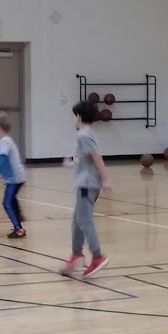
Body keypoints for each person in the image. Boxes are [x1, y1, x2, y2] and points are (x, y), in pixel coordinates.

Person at [61, 101, 110, 276]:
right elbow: (85, 159)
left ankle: (97, 256)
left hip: (87, 185)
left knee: (84, 220)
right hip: (86, 183)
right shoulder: (88, 134)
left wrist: (105, 180)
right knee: (77, 220)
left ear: (79, 117)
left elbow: (96, 158)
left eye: (74, 116)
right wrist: (72, 162)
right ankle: (76, 254)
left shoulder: (83, 136)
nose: (73, 119)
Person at [0, 113, 27, 239]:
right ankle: (18, 217)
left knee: (7, 203)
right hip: (16, 177)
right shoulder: (6, 141)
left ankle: (18, 229)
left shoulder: (4, 141)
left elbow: (2, 159)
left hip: (15, 179)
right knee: (11, 200)